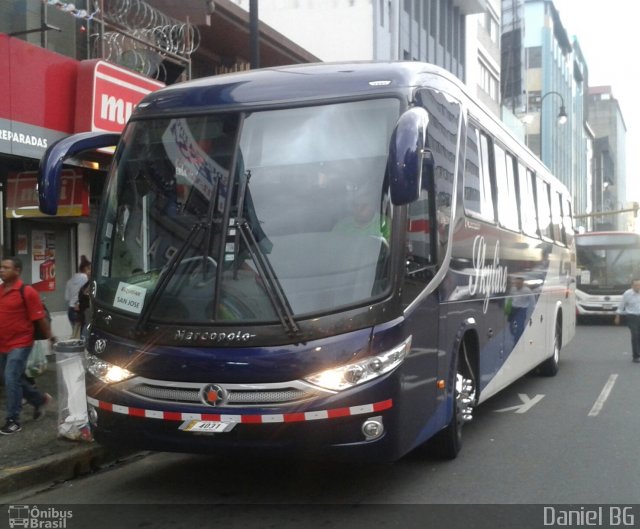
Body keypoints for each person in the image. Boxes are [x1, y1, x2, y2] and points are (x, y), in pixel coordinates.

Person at [0, 257, 55, 435]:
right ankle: (39, 400)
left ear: (17, 271)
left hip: (21, 343)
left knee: (10, 378)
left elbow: (39, 318)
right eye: (1, 267)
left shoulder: (27, 291)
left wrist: (50, 337)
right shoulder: (0, 290)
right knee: (11, 378)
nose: (1, 270)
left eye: (6, 267)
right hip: (3, 343)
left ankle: (13, 420)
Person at [614, 278, 640, 363]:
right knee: (635, 335)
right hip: (632, 316)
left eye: (639, 285)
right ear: (632, 286)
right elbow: (621, 306)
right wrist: (617, 316)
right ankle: (635, 356)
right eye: (636, 285)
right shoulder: (627, 294)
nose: (638, 287)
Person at [64, 256, 91, 339]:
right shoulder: (85, 277)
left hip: (70, 311)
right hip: (80, 310)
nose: (90, 271)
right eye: (90, 269)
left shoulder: (69, 281)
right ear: (86, 268)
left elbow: (67, 298)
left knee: (76, 336)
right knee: (84, 336)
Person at [506, 275, 534, 341]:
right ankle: (517, 334)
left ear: (522, 283)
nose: (517, 285)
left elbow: (532, 300)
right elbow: (509, 297)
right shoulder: (513, 289)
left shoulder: (527, 291)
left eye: (519, 283)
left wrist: (532, 308)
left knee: (520, 326)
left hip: (522, 309)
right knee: (511, 326)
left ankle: (517, 341)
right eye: (516, 283)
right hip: (513, 309)